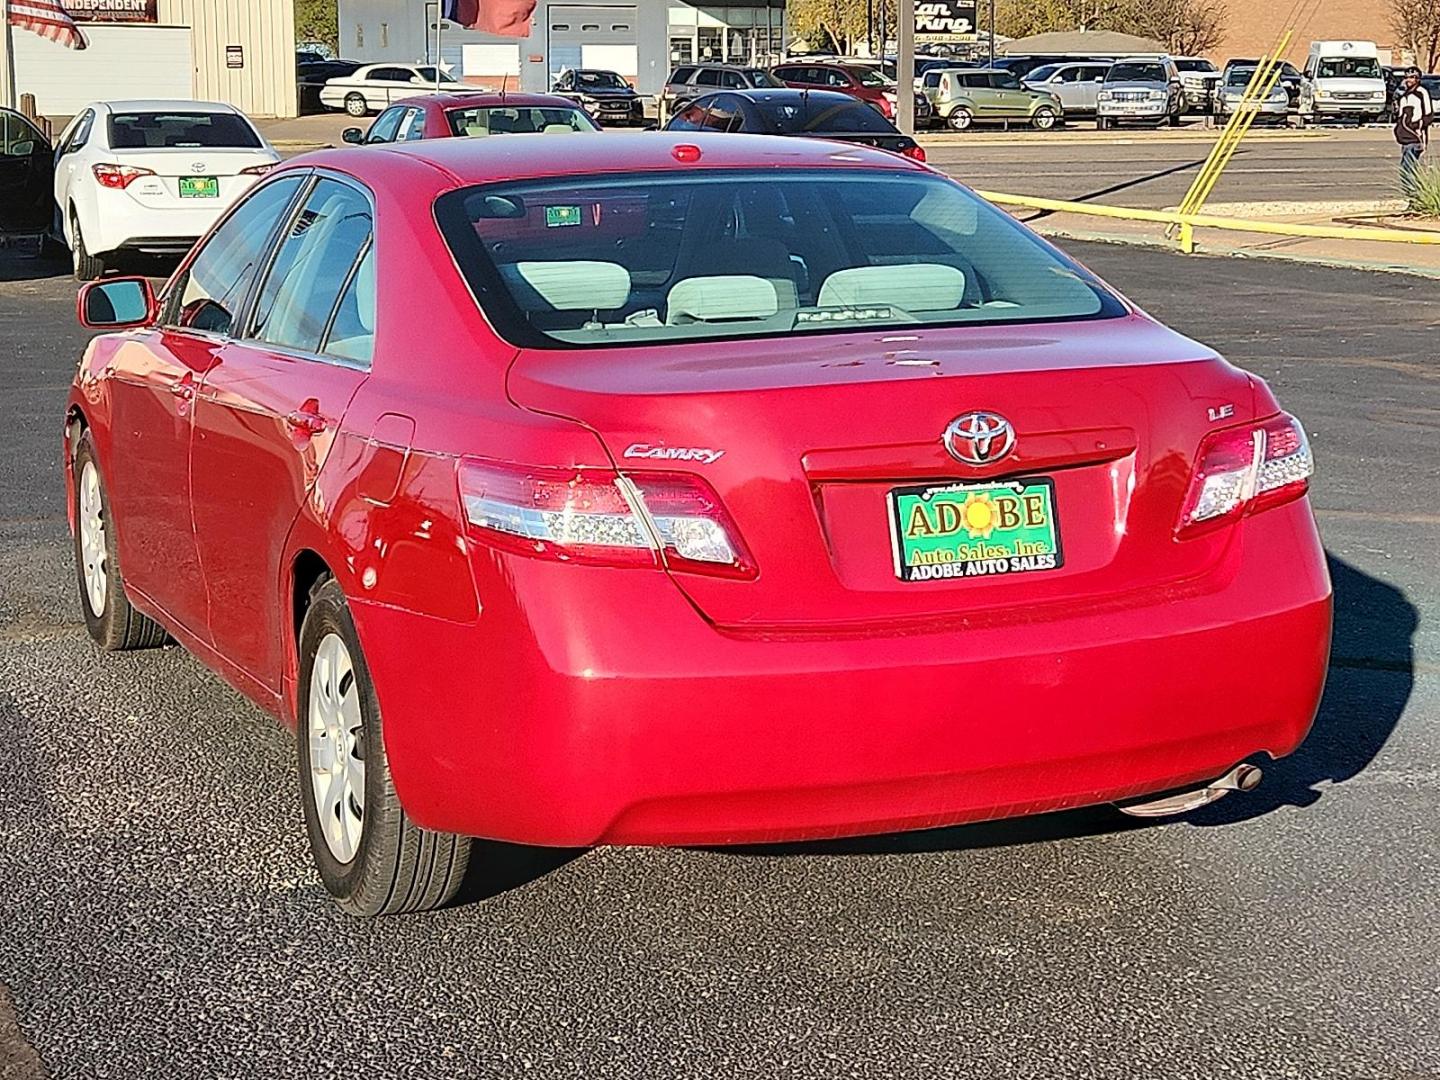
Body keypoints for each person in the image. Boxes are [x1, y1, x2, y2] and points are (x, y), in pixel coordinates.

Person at [1394, 67, 1434, 207]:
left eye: (1412, 77)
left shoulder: (1421, 93)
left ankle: (1415, 200)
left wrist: (1416, 126)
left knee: (1408, 170)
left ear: (1418, 79)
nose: (1409, 80)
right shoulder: (1404, 95)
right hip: (1405, 139)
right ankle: (1413, 199)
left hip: (1415, 138)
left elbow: (1429, 116)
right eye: (1407, 77)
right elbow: (1401, 117)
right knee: (1406, 170)